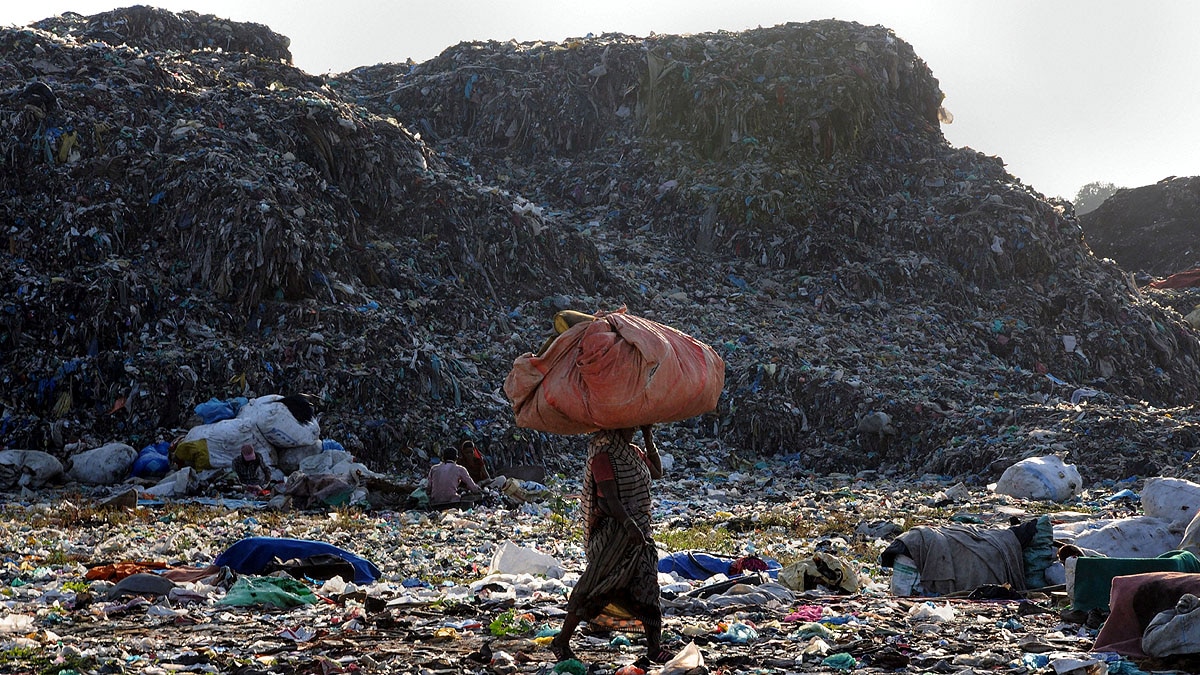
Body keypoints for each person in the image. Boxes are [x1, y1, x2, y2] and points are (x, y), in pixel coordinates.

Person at [550, 425, 668, 664]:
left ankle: (654, 648)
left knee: (647, 586)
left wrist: (648, 435)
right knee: (593, 585)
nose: (633, 429)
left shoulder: (633, 452)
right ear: (615, 428)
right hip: (614, 534)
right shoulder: (602, 458)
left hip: (640, 533)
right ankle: (561, 640)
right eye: (630, 426)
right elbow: (610, 499)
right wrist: (628, 524)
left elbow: (656, 472)